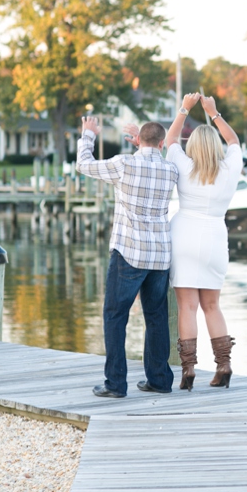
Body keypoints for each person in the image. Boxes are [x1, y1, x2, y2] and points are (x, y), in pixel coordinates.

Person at [76, 117, 177, 398]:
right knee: (156, 317)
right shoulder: (171, 170)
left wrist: (88, 135)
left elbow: (83, 165)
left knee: (115, 315)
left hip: (129, 251)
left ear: (139, 141)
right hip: (159, 255)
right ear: (161, 144)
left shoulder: (125, 164)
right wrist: (144, 144)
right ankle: (159, 380)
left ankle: (115, 384)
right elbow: (155, 156)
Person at [163, 92, 243, 390]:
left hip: (184, 235)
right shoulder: (229, 167)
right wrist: (214, 112)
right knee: (212, 306)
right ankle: (223, 365)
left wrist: (185, 108)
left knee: (187, 307)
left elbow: (170, 139)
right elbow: (233, 141)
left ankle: (188, 370)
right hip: (214, 237)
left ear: (193, 146)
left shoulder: (184, 166)